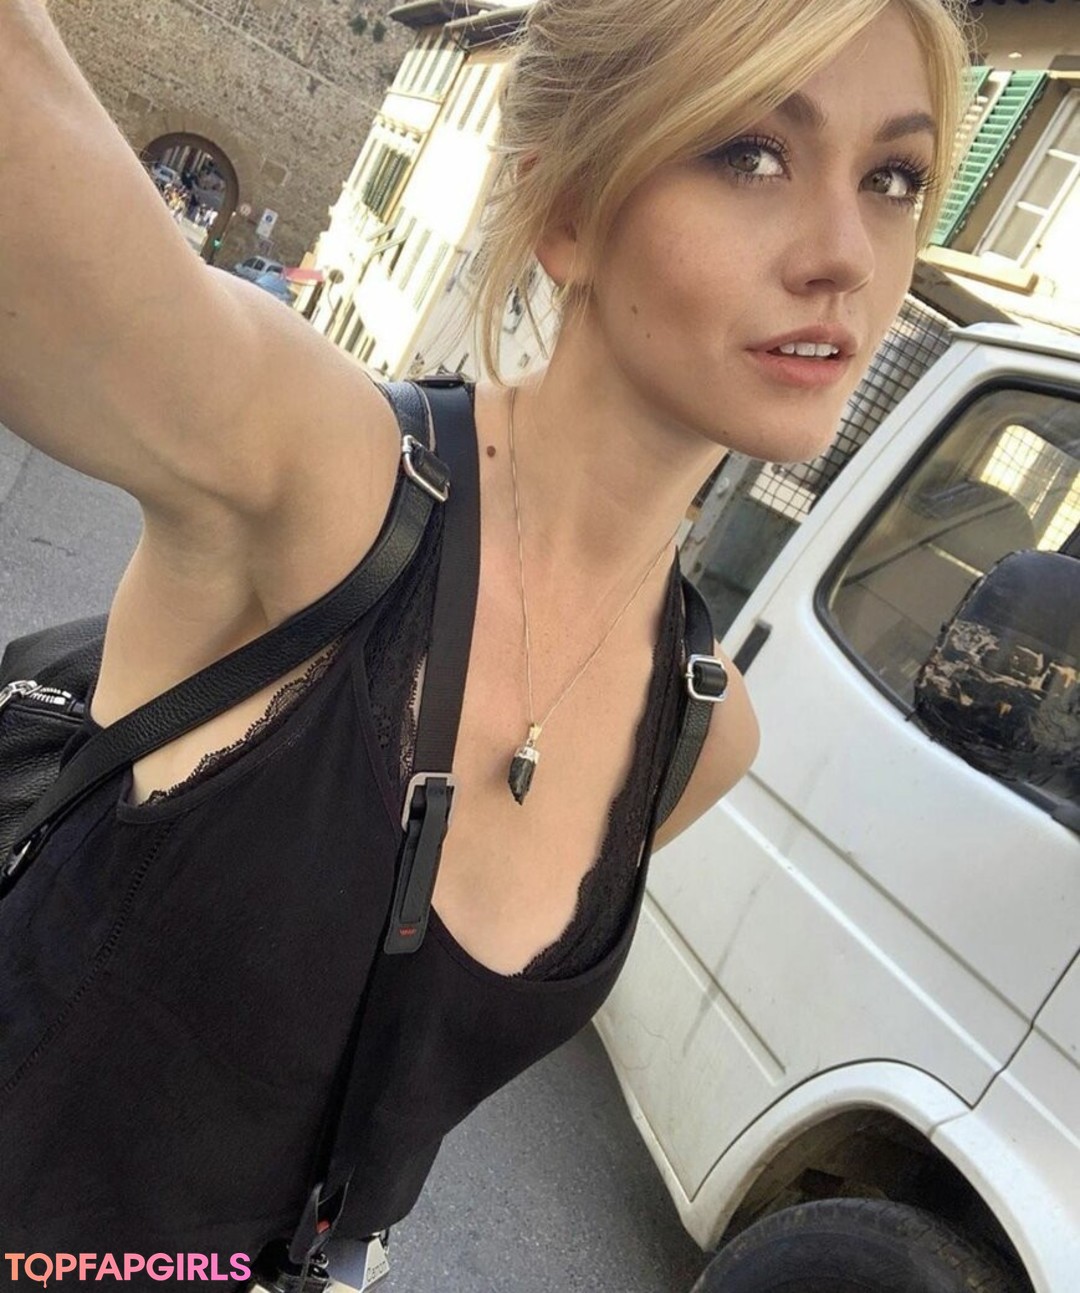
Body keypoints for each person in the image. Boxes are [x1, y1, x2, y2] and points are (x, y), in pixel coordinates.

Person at [0, 0, 969, 1285]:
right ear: (566, 212)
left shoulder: (700, 730)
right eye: (751, 153)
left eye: (894, 178)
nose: (847, 255)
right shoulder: (321, 477)